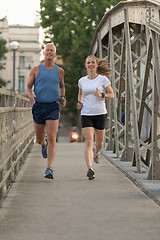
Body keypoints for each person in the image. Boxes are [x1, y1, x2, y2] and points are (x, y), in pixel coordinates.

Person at [26, 43, 66, 179]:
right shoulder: (36, 70)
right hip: (39, 106)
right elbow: (28, 86)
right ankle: (43, 144)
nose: (49, 52)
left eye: (52, 51)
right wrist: (30, 95)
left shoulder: (59, 71)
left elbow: (62, 86)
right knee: (39, 139)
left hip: (53, 106)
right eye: (47, 50)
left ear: (55, 54)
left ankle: (49, 168)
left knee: (52, 136)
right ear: (44, 53)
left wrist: (63, 96)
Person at [77, 55, 114, 180]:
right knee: (89, 141)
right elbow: (80, 93)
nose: (91, 64)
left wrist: (102, 94)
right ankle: (90, 168)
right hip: (86, 114)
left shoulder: (103, 80)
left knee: (99, 143)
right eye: (88, 63)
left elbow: (112, 95)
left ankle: (97, 152)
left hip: (100, 113)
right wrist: (80, 102)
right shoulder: (82, 81)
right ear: (86, 65)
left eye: (93, 62)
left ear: (97, 65)